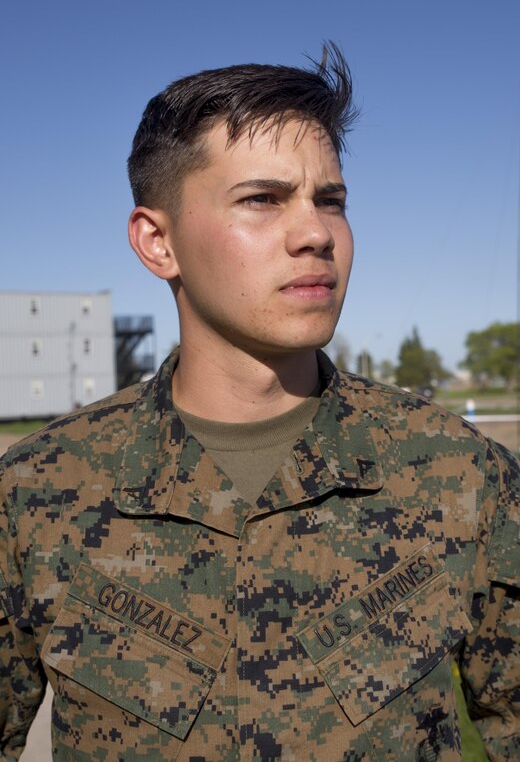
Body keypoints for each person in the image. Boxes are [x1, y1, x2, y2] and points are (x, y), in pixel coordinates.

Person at [0, 43, 518, 761]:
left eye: (329, 201)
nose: (316, 235)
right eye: (262, 200)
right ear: (158, 242)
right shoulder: (38, 491)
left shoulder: (462, 474)